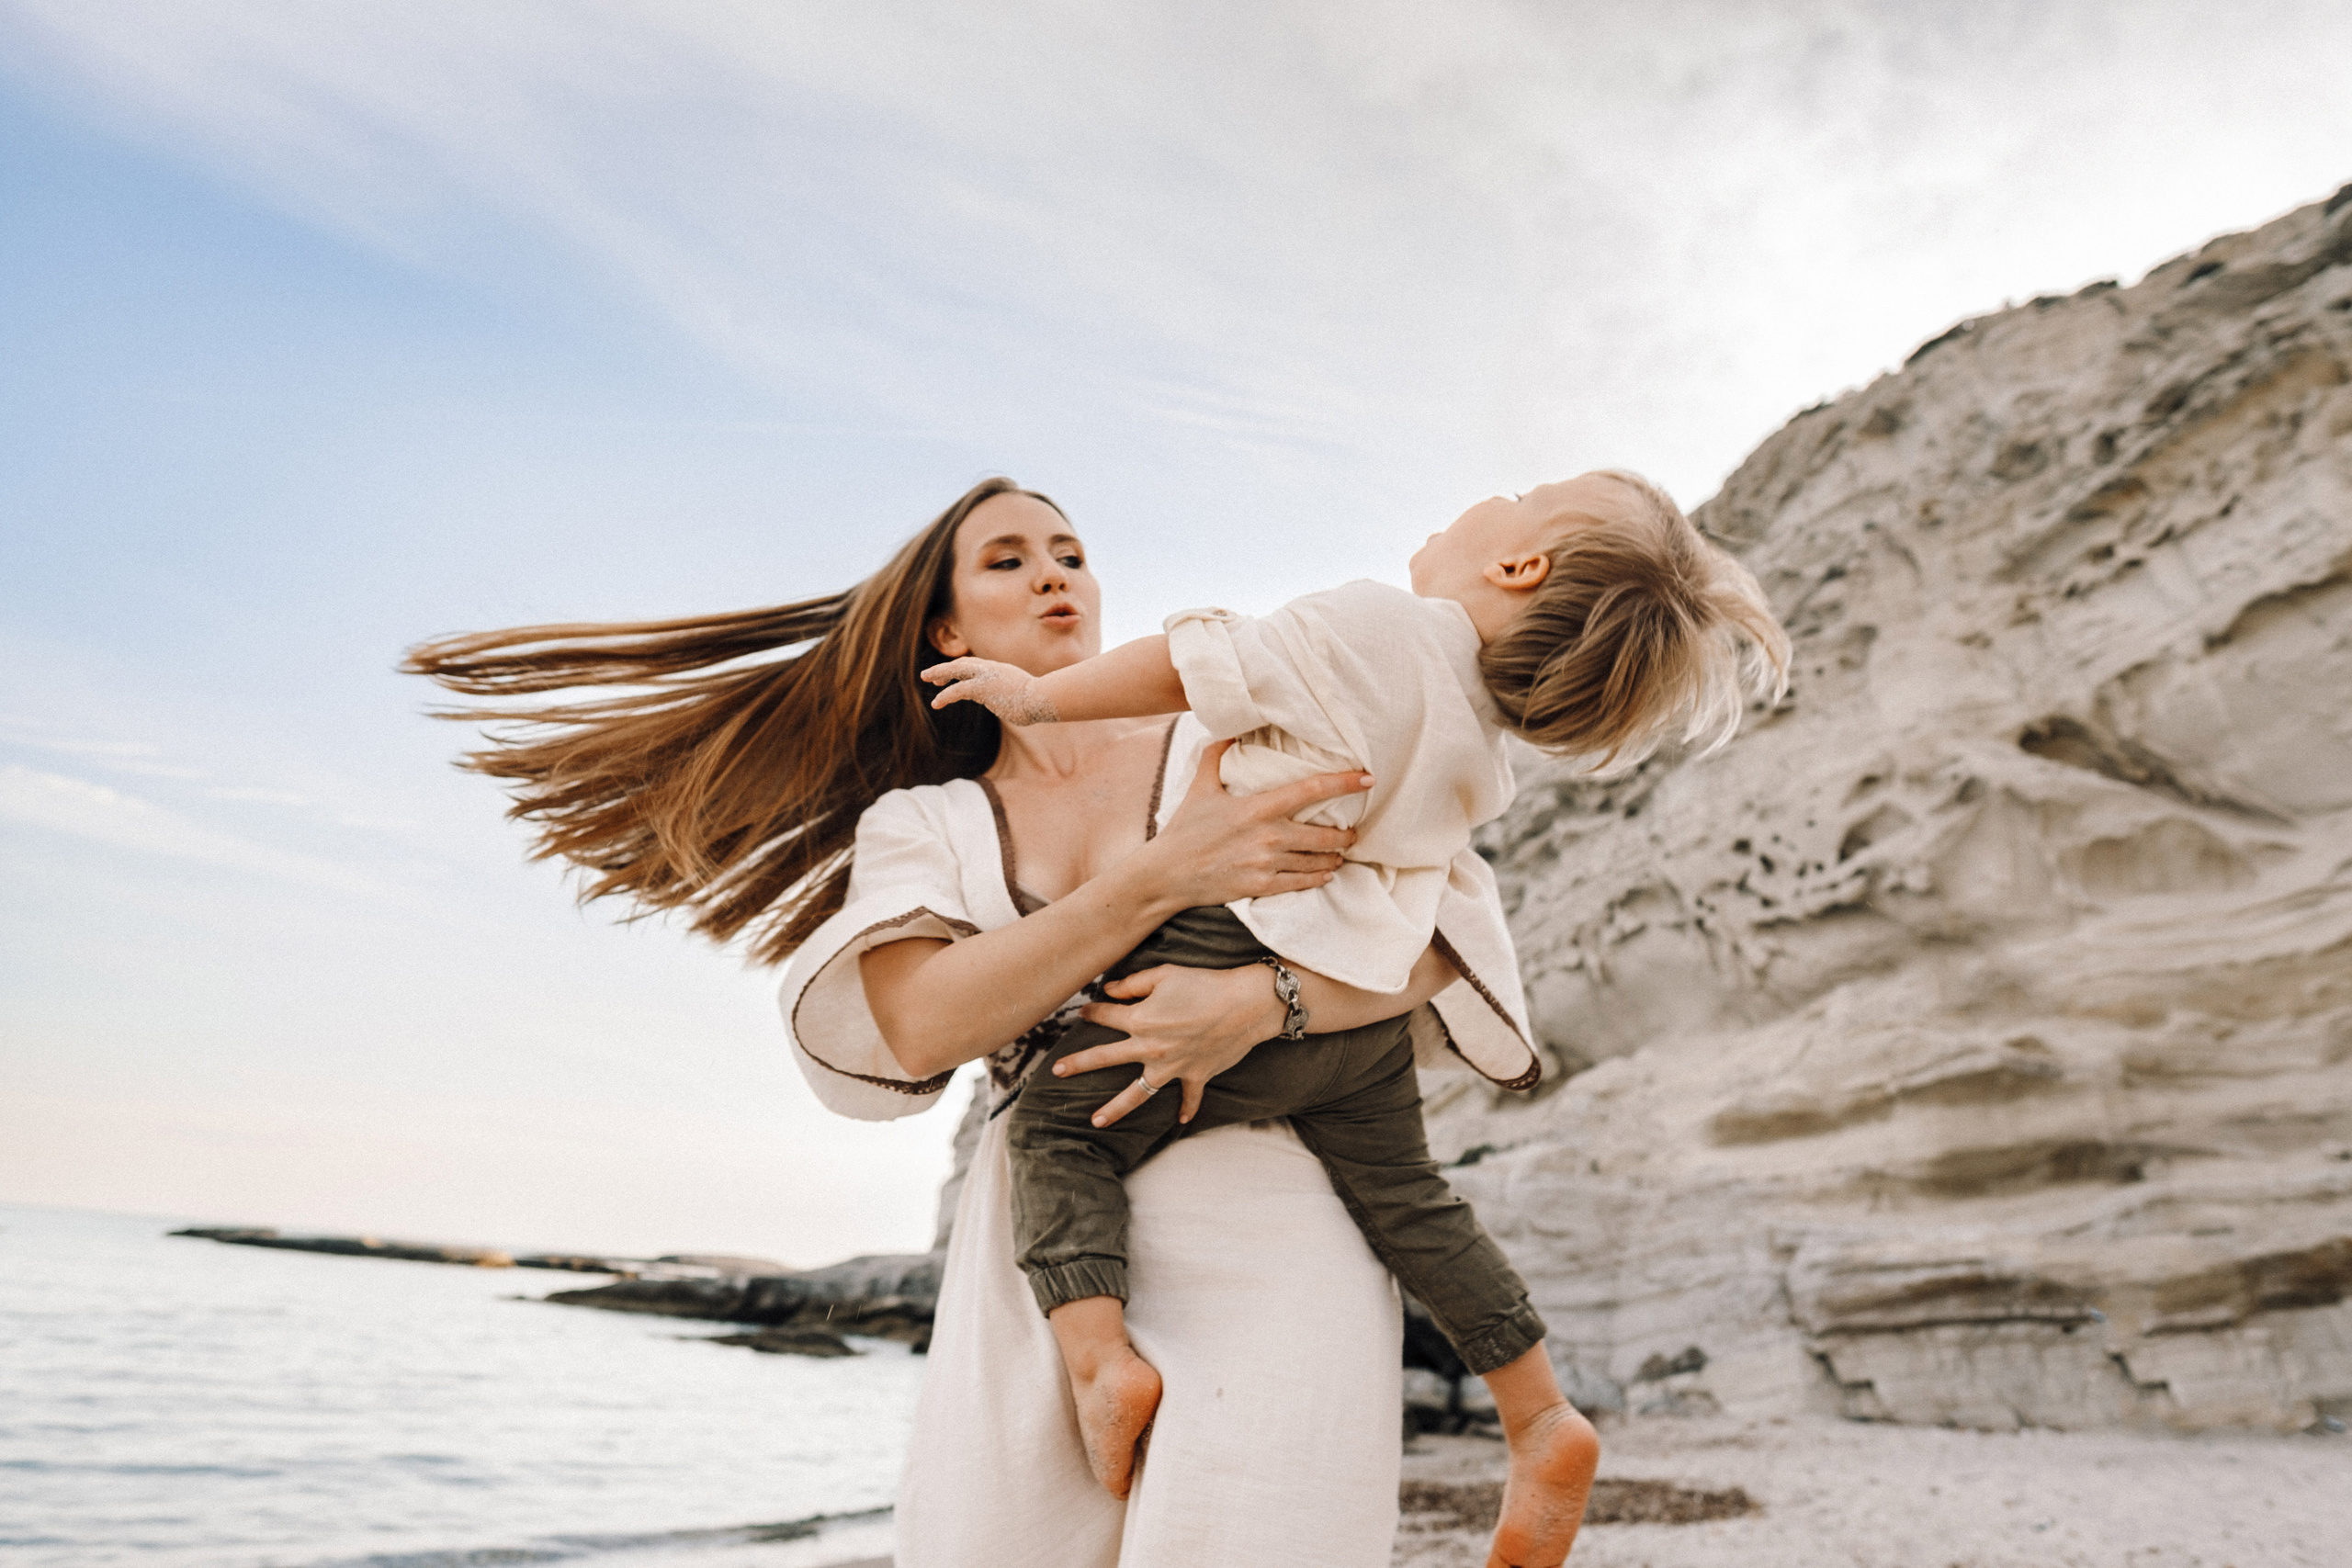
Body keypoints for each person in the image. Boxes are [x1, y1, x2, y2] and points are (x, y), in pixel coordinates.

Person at [404, 478, 1568, 1568]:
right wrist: (1162, 876)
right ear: (947, 631)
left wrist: (1262, 1002)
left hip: (1283, 1217)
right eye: (1007, 561)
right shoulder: (928, 824)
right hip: (1043, 1264)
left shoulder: (1227, 732)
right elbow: (922, 1026)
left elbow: (1441, 930)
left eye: (1070, 553)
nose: (1054, 575)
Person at [926, 470, 1790, 1566]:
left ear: (1516, 565)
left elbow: (1201, 661)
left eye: (1521, 493)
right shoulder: (1483, 747)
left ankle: (1100, 1363)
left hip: (1232, 942)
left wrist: (1041, 698)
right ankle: (1537, 1413)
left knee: (1053, 1132)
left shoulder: (1379, 624)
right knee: (1412, 1203)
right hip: (1360, 1021)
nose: (1489, 494)